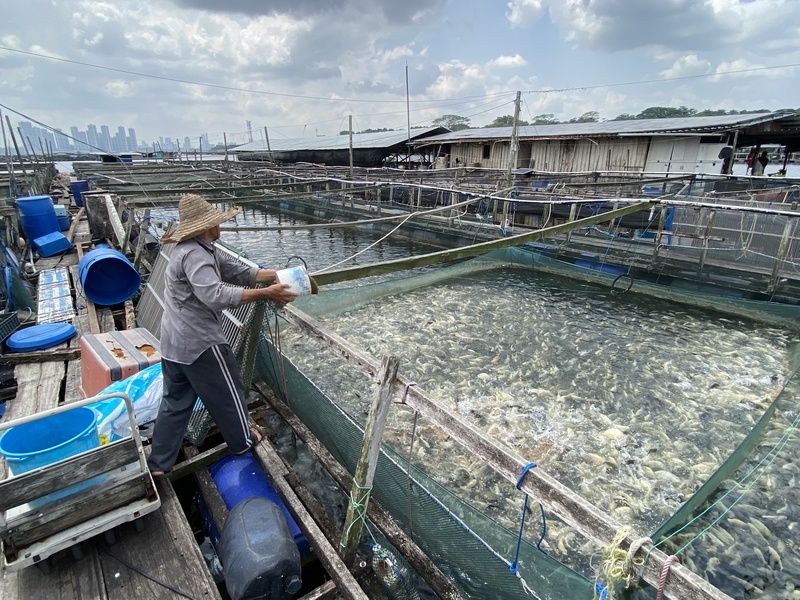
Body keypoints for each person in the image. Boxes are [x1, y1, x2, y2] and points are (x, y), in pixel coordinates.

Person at [147, 194, 298, 476]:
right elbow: (214, 294)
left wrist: (281, 274)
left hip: (173, 344)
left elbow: (240, 272)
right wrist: (267, 293)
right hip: (199, 342)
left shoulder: (198, 249)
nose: (221, 226)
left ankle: (158, 464)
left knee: (175, 402)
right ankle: (242, 441)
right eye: (218, 222)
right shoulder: (195, 255)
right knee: (229, 393)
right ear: (208, 226)